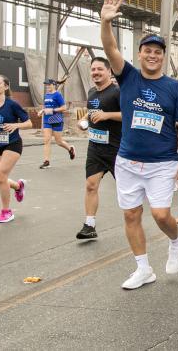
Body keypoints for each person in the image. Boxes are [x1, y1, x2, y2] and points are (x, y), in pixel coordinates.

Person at [100, 0, 178, 290]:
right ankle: (143, 268)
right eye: (148, 51)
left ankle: (176, 241)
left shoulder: (175, 88)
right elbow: (109, 47)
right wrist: (106, 21)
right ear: (139, 54)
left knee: (161, 214)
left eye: (158, 52)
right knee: (131, 214)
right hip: (127, 160)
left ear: (163, 57)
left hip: (163, 162)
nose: (153, 55)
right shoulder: (127, 77)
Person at [76, 57, 122, 239]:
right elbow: (92, 113)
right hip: (95, 148)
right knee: (90, 185)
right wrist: (84, 121)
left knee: (127, 190)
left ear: (109, 71)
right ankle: (89, 225)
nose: (95, 72)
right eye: (93, 69)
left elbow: (130, 115)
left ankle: (134, 221)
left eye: (99, 69)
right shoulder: (91, 92)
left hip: (117, 149)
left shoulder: (118, 92)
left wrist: (107, 115)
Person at [0, 74, 33, 224]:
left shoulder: (12, 104)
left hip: (13, 144)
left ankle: (6, 212)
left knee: (1, 175)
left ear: (6, 86)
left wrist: (15, 125)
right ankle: (18, 186)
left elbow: (29, 123)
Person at [38, 79, 75, 169]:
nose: (47, 87)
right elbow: (46, 107)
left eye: (49, 85)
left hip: (57, 120)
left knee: (58, 141)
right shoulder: (46, 95)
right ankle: (47, 162)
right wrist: (42, 111)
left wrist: (53, 110)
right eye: (46, 85)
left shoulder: (58, 95)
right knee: (47, 140)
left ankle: (70, 149)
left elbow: (64, 107)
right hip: (47, 120)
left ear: (53, 85)